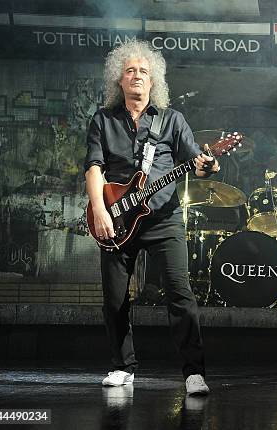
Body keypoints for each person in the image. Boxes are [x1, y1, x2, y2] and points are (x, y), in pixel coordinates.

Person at [84, 40, 219, 395]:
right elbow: (94, 167)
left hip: (163, 218)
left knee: (180, 294)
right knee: (114, 299)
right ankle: (122, 366)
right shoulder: (102, 119)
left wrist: (208, 164)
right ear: (119, 80)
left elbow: (196, 163)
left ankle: (194, 373)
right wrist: (99, 210)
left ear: (154, 79)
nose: (137, 76)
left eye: (143, 71)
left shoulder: (172, 120)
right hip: (115, 219)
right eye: (130, 71)